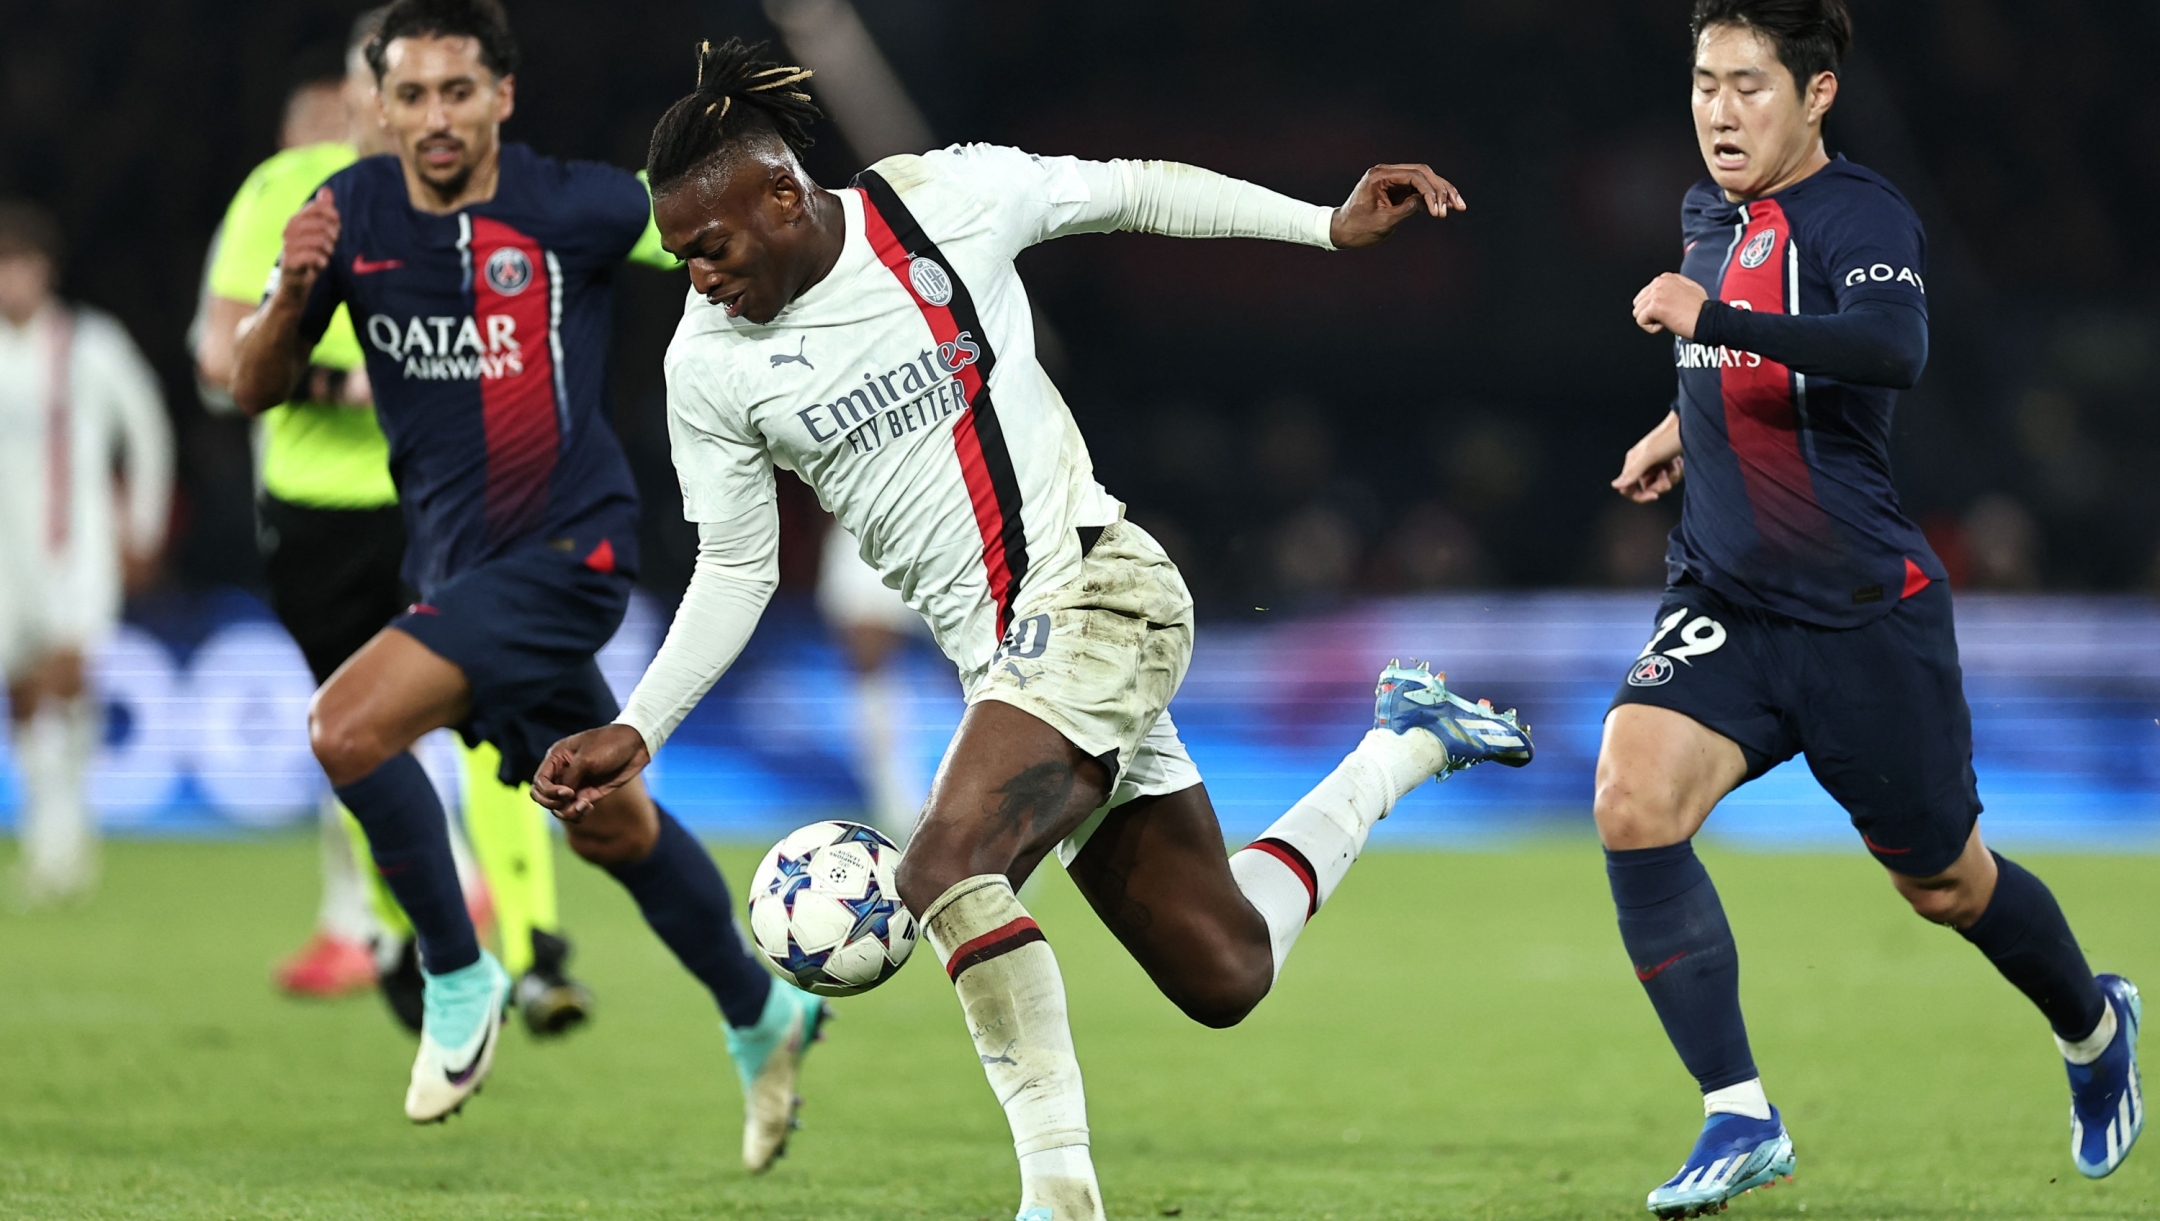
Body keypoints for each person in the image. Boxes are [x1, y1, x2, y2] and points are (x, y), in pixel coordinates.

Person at [531, 38, 1533, 1221]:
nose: (697, 275)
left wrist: (1323, 225)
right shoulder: (706, 368)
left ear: (782, 197)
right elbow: (739, 567)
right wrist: (638, 727)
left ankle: (1061, 1200)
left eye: (713, 246)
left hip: (1100, 592)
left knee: (943, 867)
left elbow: (1134, 186)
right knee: (1225, 969)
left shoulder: (941, 202)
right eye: (679, 255)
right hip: (1008, 667)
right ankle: (1403, 744)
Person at [228, 0, 824, 1158]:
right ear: (379, 105)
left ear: (503, 95)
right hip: (454, 569)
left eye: (458, 92)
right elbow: (252, 386)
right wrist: (294, 292)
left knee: (345, 730)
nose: (435, 117)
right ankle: (764, 1011)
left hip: (572, 553)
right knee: (610, 826)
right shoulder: (347, 216)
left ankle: (456, 975)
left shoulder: (573, 206)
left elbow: (733, 239)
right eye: (411, 95)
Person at [1601, 2, 2141, 1214]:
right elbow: (1735, 368)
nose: (1719, 112)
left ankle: (2092, 1023)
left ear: (1818, 93)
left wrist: (1712, 322)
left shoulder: (1864, 215)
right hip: (1727, 597)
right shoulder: (1709, 216)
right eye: (1703, 83)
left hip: (1861, 613)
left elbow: (1889, 347)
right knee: (1633, 796)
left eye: (1748, 85)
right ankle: (1737, 1114)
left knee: (1945, 884)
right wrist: (1679, 429)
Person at [196, 8, 595, 1038]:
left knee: (497, 718)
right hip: (320, 520)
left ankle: (536, 950)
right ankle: (395, 934)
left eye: (441, 83)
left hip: (453, 511)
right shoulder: (285, 194)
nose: (417, 103)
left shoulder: (497, 199)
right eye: (398, 83)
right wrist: (343, 382)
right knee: (367, 739)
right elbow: (214, 353)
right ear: (363, 90)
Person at [0, 200, 172, 906]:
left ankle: (63, 841)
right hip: (6, 557)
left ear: (46, 271)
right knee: (22, 695)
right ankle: (52, 832)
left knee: (64, 678)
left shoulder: (90, 345)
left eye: (22, 265)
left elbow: (148, 428)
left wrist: (146, 523)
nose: (13, 281)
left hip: (77, 547)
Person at [818, 520, 932, 841]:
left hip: (947, 511)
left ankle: (997, 812)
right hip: (865, 513)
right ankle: (900, 810)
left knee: (982, 657)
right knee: (868, 659)